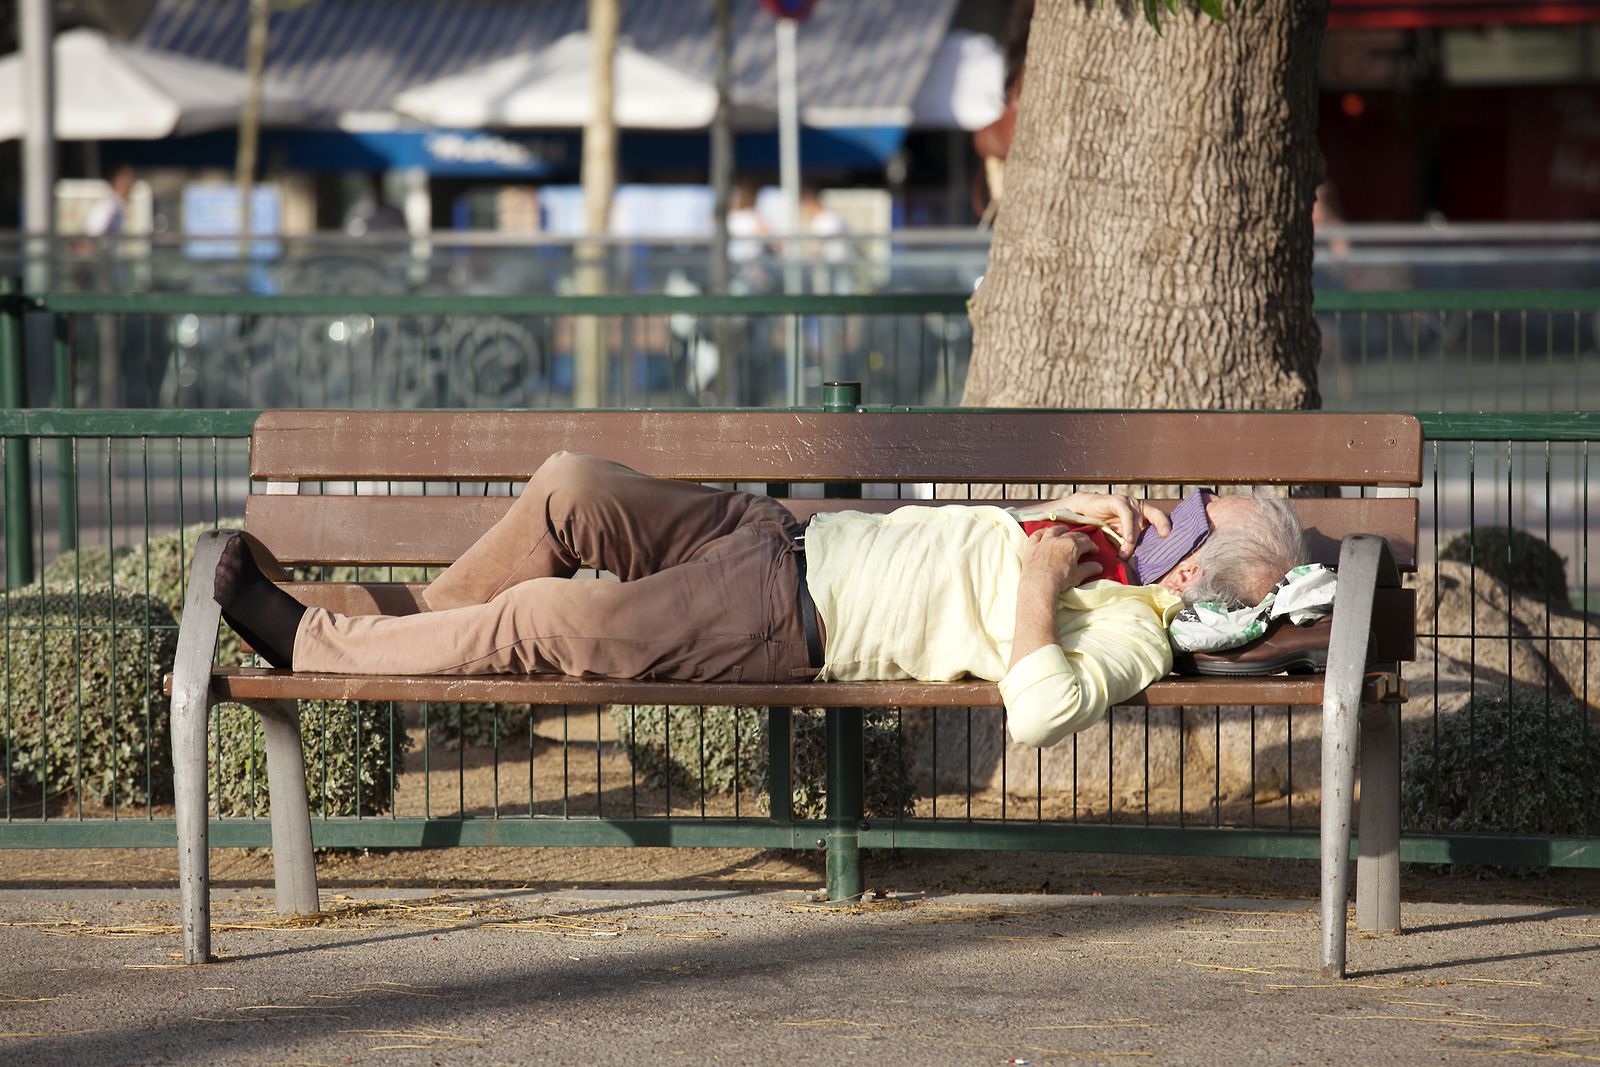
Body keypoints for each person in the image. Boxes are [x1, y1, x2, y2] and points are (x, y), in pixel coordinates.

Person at [214, 453, 1306, 748]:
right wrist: (1044, 510)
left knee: (550, 626)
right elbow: (942, 540)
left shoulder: (1129, 625)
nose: (1158, 507)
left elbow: (1035, 710)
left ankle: (310, 638)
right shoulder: (1096, 538)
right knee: (569, 487)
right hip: (775, 531)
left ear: (1185, 572)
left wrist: (1038, 572)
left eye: (1179, 518)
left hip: (782, 620)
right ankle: (397, 653)